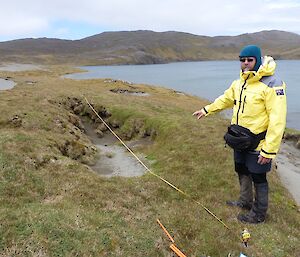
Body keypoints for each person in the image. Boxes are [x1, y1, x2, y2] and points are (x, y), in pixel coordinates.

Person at [193, 45, 287, 224]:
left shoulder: (272, 84)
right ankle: (245, 202)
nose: (245, 63)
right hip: (240, 139)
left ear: (257, 60)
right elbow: (226, 98)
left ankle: (259, 214)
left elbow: (278, 120)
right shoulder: (240, 82)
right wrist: (207, 110)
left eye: (249, 60)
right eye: (242, 60)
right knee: (242, 170)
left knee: (258, 176)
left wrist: (269, 150)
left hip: (259, 143)